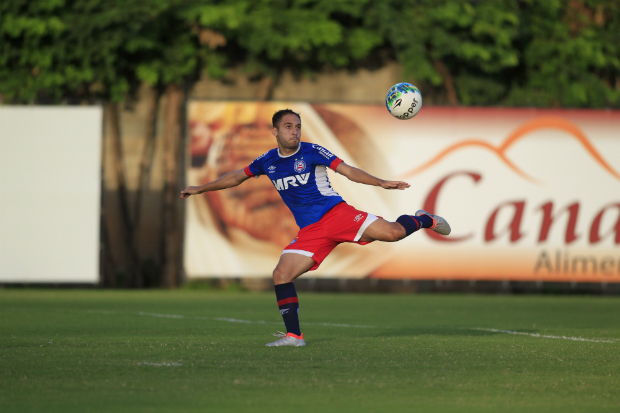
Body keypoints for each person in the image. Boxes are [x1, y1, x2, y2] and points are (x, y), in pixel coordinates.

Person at [180, 109, 451, 347]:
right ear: (274, 131)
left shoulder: (312, 151)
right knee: (281, 275)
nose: (295, 131)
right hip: (312, 231)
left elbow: (347, 170)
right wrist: (201, 188)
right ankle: (294, 337)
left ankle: (424, 219)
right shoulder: (267, 161)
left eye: (298, 126)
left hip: (338, 215)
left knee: (395, 233)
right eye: (288, 126)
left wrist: (379, 182)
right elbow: (236, 177)